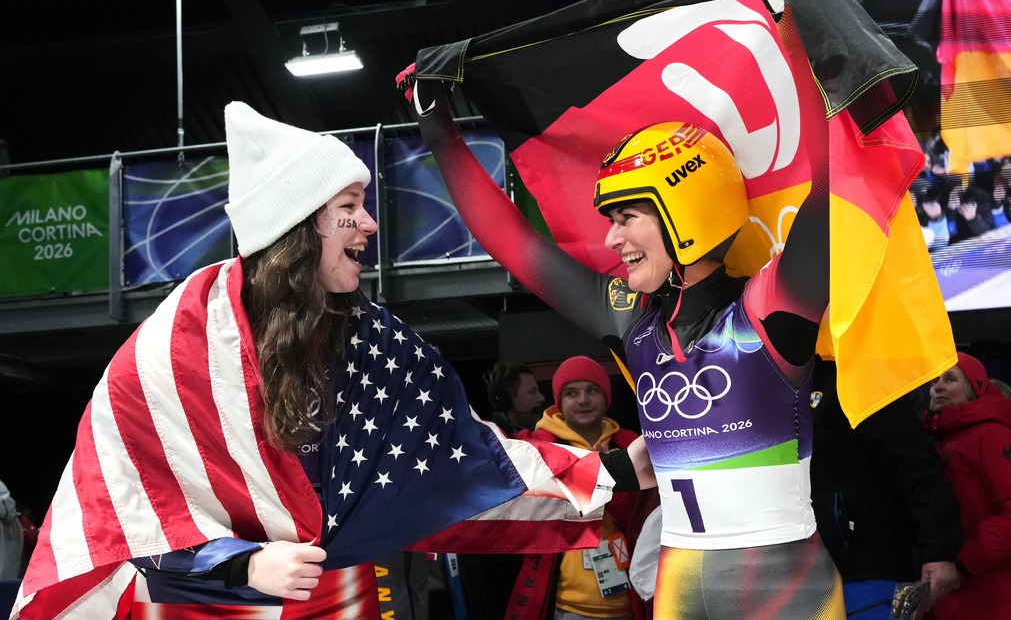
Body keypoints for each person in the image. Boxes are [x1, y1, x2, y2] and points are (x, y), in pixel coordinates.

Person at [12, 102, 612, 620]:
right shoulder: (171, 351)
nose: (372, 223)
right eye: (351, 204)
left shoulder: (365, 336)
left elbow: (460, 454)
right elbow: (118, 515)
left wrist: (607, 469)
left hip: (345, 595)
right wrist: (240, 566)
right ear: (298, 226)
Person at [416, 85, 844, 616]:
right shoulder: (633, 318)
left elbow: (833, 188)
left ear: (685, 211)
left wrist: (801, 30)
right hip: (679, 581)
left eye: (626, 218)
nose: (612, 240)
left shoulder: (769, 307)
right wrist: (436, 125)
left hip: (785, 583)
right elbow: (513, 243)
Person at [808, 358, 962, 618]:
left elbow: (915, 462)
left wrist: (940, 549)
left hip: (869, 564)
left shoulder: (860, 377)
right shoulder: (779, 384)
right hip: (800, 570)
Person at [511, 356, 652, 620]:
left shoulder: (632, 445)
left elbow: (643, 521)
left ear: (606, 397)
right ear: (559, 402)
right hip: (564, 605)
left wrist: (609, 475)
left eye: (592, 390)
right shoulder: (538, 449)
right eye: (571, 393)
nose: (583, 400)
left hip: (629, 600)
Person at [924, 352, 1011, 620]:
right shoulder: (941, 443)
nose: (938, 386)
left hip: (997, 600)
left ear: (974, 389)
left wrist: (960, 565)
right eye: (934, 380)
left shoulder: (992, 436)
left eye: (950, 379)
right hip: (960, 599)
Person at [483, 360, 547, 436]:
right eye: (532, 392)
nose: (542, 398)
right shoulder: (494, 443)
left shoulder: (548, 432)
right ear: (505, 400)